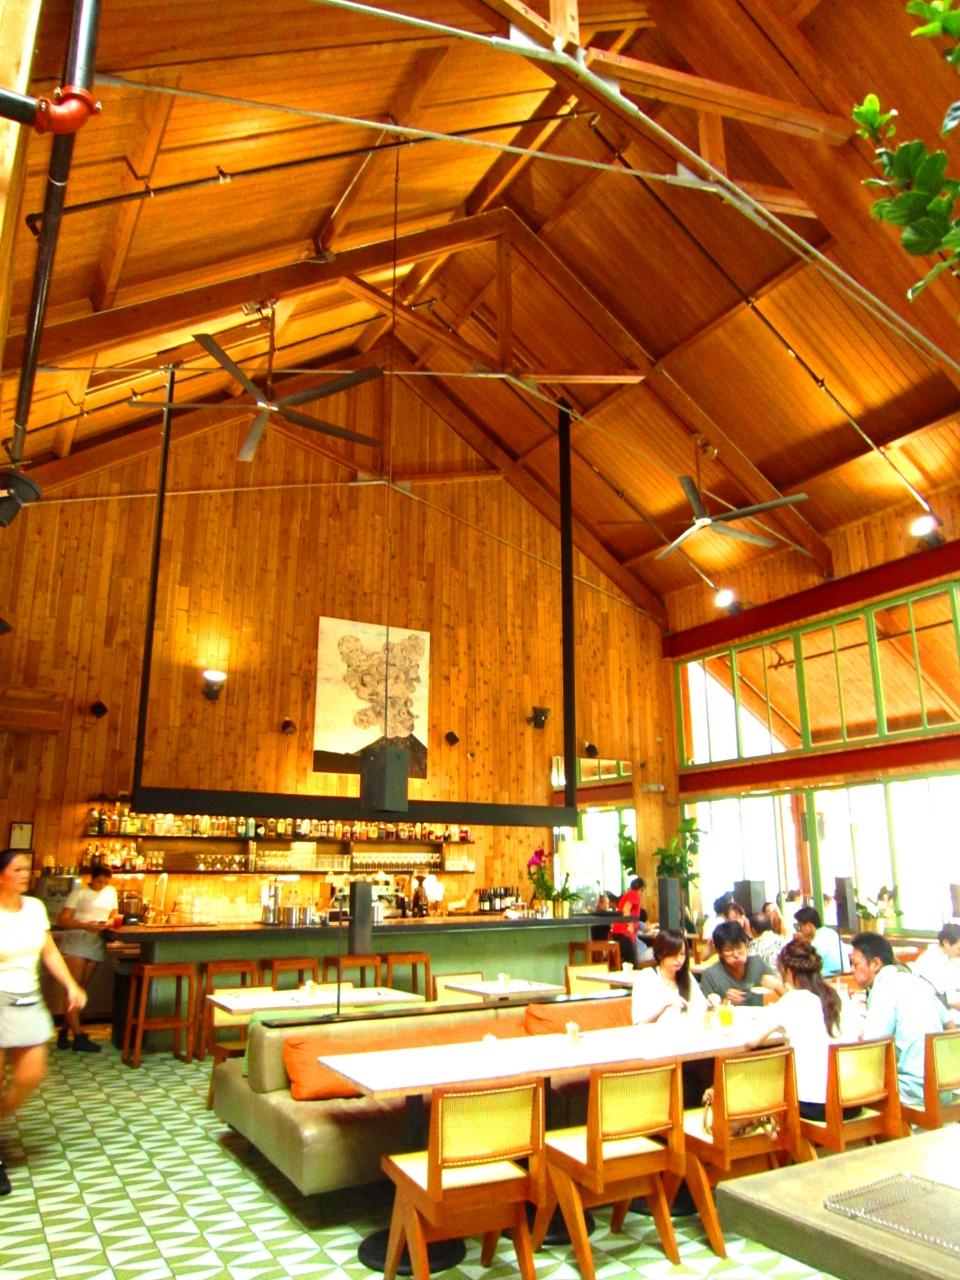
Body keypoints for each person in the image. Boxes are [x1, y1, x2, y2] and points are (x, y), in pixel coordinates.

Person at [0, 847, 87, 1196]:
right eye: (18, 869)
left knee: (31, 1074)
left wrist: (71, 985)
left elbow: (48, 950)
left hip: (28, 997)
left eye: (28, 869)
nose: (26, 875)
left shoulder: (35, 908)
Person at [747, 939, 857, 1121]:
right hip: (853, 1101)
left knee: (760, 1079)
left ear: (789, 972)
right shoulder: (837, 997)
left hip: (817, 1106)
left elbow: (751, 1041)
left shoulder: (793, 1000)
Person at [850, 931, 955, 1104]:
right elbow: (950, 1024)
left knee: (851, 1088)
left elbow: (871, 1047)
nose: (852, 970)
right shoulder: (915, 981)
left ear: (875, 963)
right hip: (944, 1087)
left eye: (855, 964)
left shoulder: (884, 988)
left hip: (913, 1091)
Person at [56, 862, 118, 1052]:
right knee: (74, 988)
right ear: (92, 878)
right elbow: (62, 920)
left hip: (95, 941)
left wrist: (107, 923)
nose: (102, 885)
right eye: (99, 881)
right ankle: (78, 1036)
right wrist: (85, 925)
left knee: (81, 989)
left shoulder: (110, 892)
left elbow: (114, 915)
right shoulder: (79, 893)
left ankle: (64, 1032)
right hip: (77, 940)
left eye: (105, 882)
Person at [630, 928, 706, 1024]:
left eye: (682, 954)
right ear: (660, 954)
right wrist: (665, 1006)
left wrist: (710, 1004)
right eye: (674, 955)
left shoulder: (687, 976)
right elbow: (639, 1023)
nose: (679, 960)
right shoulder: (646, 978)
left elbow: (701, 1008)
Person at [699, 921, 781, 1006]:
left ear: (746, 944)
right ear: (719, 952)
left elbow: (786, 998)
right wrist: (726, 1002)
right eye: (728, 950)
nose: (736, 955)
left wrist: (777, 985)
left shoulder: (757, 963)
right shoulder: (710, 975)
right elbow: (707, 1010)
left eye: (739, 947)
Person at [911, 923, 960, 1010]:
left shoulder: (941, 956)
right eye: (959, 949)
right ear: (946, 943)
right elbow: (952, 1000)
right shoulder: (934, 961)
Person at [793, 906, 848, 977]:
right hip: (844, 974)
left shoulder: (816, 941)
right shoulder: (831, 932)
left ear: (809, 926)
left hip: (829, 977)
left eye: (800, 926)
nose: (799, 930)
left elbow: (807, 964)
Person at [609, 877, 648, 965]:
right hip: (624, 933)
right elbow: (626, 910)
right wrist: (630, 925)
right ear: (641, 888)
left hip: (618, 932)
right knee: (633, 963)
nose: (642, 893)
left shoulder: (627, 894)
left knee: (627, 963)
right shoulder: (634, 894)